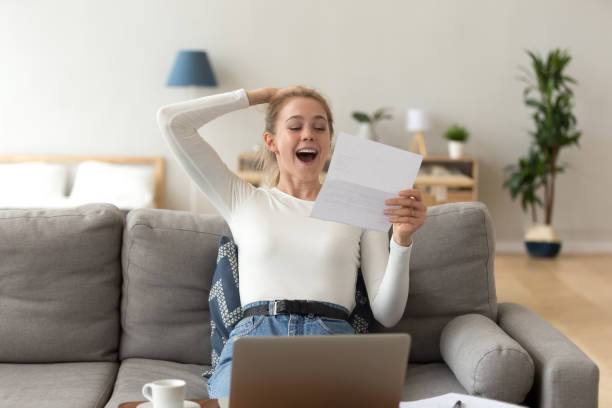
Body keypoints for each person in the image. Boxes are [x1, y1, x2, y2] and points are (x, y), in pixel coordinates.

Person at [156, 86, 426, 398]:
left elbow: (387, 313)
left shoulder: (359, 207)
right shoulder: (243, 200)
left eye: (320, 127)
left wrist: (403, 242)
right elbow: (171, 122)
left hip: (334, 339)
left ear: (329, 143)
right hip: (256, 339)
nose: (309, 134)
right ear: (270, 141)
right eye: (295, 126)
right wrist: (262, 95)